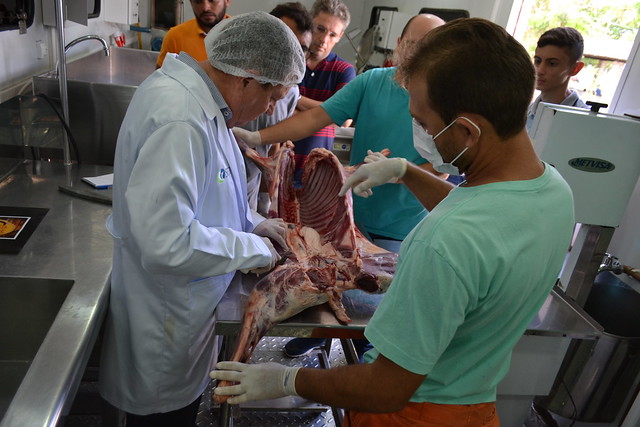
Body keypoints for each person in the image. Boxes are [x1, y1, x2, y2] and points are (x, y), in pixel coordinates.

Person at [210, 18, 575, 426]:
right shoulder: (554, 190)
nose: (421, 132)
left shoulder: (444, 242)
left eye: (424, 123)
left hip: (410, 415)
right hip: (475, 407)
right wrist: (405, 170)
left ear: (468, 130)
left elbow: (385, 388)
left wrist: (287, 380)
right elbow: (486, 216)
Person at [99, 12, 305, 427]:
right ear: (247, 78)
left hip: (186, 316)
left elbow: (213, 192)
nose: (269, 109)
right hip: (164, 326)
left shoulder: (207, 106)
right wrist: (254, 248)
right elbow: (167, 243)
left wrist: (253, 223)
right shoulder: (181, 118)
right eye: (271, 97)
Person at [233, 13, 447, 359]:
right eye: (415, 44)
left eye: (433, 47)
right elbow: (317, 117)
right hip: (351, 216)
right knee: (325, 287)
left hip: (404, 225)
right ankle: (317, 335)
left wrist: (399, 171)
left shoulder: (445, 97)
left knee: (378, 313)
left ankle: (367, 359)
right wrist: (258, 136)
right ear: (399, 43)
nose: (422, 53)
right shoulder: (373, 82)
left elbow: (444, 165)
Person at [241, 2, 313, 215]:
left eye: (301, 49)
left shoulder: (290, 94)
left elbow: (273, 147)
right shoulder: (238, 79)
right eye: (286, 42)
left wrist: (265, 202)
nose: (293, 56)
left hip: (250, 192)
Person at [291, 0, 356, 185]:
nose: (324, 39)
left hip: (315, 174)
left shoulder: (344, 70)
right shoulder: (292, 61)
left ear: (340, 36)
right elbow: (276, 108)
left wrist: (295, 99)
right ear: (310, 22)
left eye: (332, 34)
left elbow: (344, 119)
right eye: (320, 29)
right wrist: (325, 115)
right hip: (278, 161)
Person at [526, 27, 588, 132]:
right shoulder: (525, 113)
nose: (540, 70)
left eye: (552, 63)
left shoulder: (586, 121)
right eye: (537, 61)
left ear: (575, 69)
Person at [156, 0, 231, 67]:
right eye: (198, 2)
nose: (205, 8)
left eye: (212, 0)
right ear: (191, 3)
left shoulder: (241, 36)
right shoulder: (175, 36)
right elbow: (160, 79)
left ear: (227, 1)